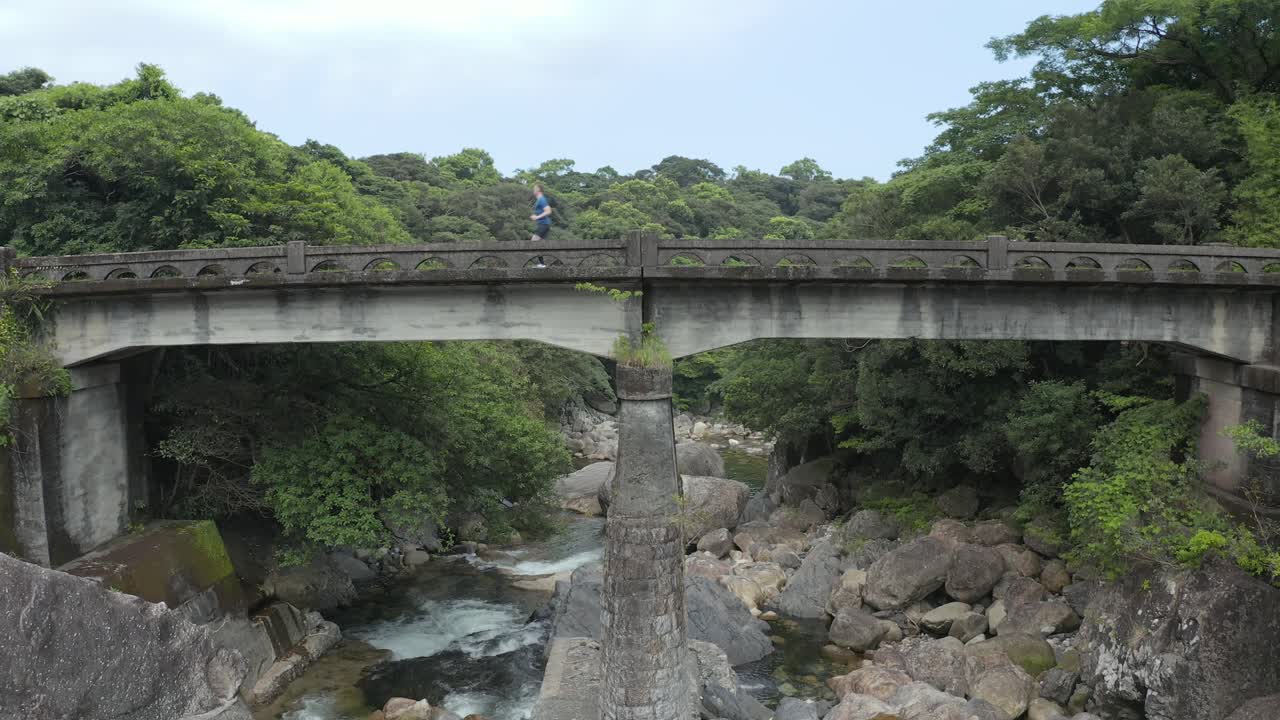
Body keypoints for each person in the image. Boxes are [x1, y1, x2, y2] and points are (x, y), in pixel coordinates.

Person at [529, 184, 552, 268]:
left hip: (544, 224)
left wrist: (537, 217)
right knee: (539, 243)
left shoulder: (542, 199)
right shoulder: (539, 200)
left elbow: (548, 211)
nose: (533, 190)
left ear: (538, 190)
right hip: (544, 224)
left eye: (534, 188)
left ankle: (542, 264)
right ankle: (542, 263)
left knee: (534, 241)